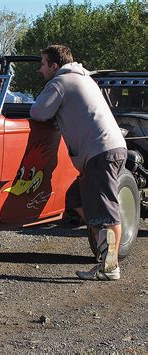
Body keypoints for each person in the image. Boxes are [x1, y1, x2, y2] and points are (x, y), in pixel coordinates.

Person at [29, 45, 127, 281]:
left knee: (106, 211)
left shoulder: (60, 82)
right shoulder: (83, 78)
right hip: (110, 148)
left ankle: (110, 267)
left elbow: (38, 112)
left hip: (99, 152)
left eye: (43, 64)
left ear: (55, 65)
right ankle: (103, 247)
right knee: (75, 197)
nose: (40, 69)